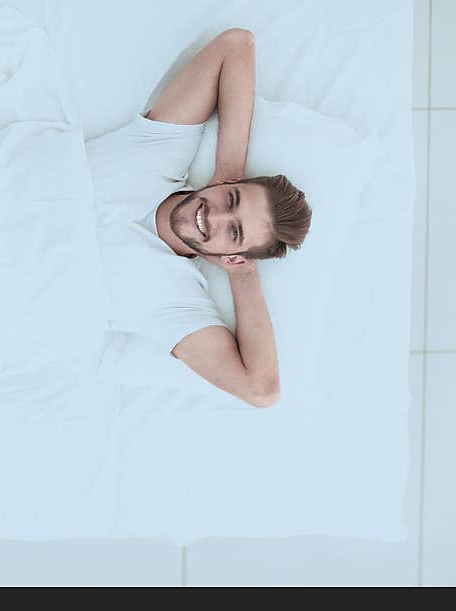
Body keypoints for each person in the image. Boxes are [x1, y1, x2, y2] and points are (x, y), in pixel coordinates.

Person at [86, 28, 312, 408]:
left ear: (233, 256)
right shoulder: (158, 153)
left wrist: (242, 274)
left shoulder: (173, 301)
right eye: (232, 199)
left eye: (235, 231)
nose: (217, 214)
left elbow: (262, 390)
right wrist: (228, 169)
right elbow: (236, 45)